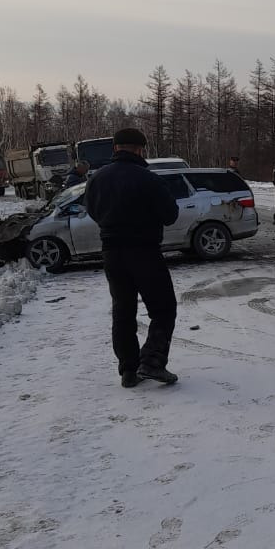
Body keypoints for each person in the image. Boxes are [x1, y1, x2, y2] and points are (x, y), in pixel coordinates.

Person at [84, 128, 181, 388]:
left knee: (123, 310)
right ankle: (152, 361)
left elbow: (91, 211)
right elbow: (170, 215)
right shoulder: (149, 179)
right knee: (163, 308)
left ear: (115, 148)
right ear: (140, 149)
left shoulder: (97, 179)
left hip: (112, 253)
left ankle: (128, 370)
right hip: (145, 251)